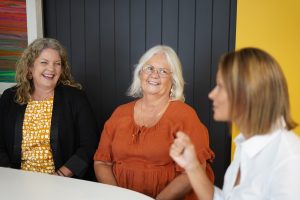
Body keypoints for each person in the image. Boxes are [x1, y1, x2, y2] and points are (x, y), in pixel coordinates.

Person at [170, 47, 300, 200]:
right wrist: (191, 165)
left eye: (220, 86)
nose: (211, 94)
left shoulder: (290, 160)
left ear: (248, 92)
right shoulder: (245, 143)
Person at [94, 45, 214, 199]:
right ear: (140, 74)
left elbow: (193, 171)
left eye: (163, 71)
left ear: (174, 80)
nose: (154, 75)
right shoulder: (119, 113)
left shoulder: (186, 116)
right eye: (149, 68)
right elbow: (102, 163)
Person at [0, 38, 98, 179]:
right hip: (17, 180)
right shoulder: (9, 98)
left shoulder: (75, 98)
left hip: (61, 182)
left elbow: (89, 145)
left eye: (57, 64)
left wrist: (59, 176)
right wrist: (12, 176)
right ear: (30, 68)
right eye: (44, 62)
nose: (51, 69)